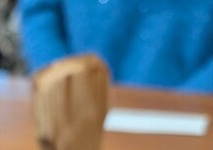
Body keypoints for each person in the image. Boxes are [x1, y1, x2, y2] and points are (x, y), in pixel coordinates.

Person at [18, 0, 213, 92]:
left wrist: (189, 101)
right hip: (77, 111)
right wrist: (62, 84)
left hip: (196, 116)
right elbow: (39, 14)